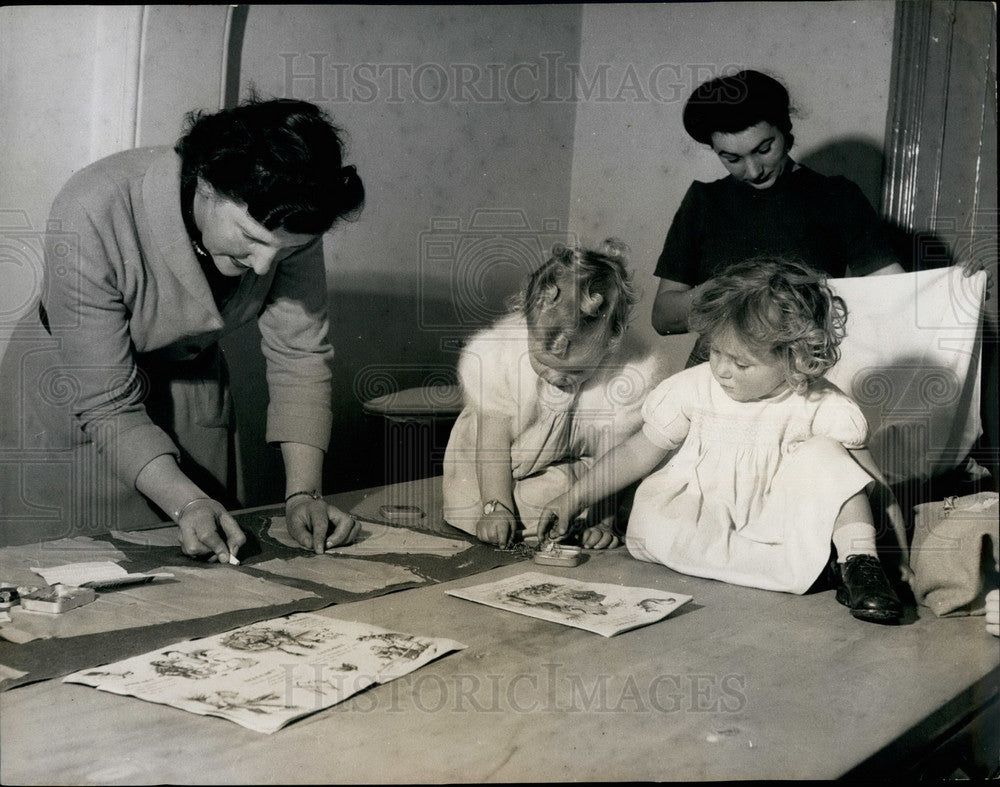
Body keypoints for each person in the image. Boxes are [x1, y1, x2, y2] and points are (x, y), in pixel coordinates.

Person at [0, 97, 364, 560]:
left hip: (191, 390)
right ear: (208, 184)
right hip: (71, 396)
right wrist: (186, 501)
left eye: (285, 253)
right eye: (250, 239)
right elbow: (106, 402)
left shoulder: (289, 224)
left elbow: (301, 359)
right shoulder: (93, 205)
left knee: (206, 576)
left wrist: (304, 494)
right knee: (72, 581)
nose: (265, 264)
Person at [539, 258, 906, 624]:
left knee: (828, 456)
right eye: (715, 352)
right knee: (654, 526)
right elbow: (637, 452)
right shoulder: (692, 389)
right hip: (706, 513)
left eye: (741, 364)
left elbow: (869, 486)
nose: (722, 370)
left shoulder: (819, 403)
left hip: (778, 518)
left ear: (795, 361)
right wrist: (574, 497)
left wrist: (898, 558)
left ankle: (859, 563)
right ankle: (810, 569)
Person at [651, 70, 904, 363]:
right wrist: (725, 292)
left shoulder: (836, 196)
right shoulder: (705, 201)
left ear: (785, 131)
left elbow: (895, 291)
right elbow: (663, 317)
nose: (754, 170)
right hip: (716, 369)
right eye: (731, 159)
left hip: (801, 367)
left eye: (764, 149)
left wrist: (962, 286)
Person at [442, 239, 670, 549]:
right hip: (492, 461)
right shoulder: (505, 358)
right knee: (487, 503)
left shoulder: (622, 374)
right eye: (543, 363)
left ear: (610, 343)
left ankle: (578, 518)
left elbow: (611, 457)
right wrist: (496, 507)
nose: (556, 376)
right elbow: (492, 444)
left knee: (576, 495)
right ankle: (498, 509)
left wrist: (601, 521)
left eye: (575, 371)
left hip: (565, 460)